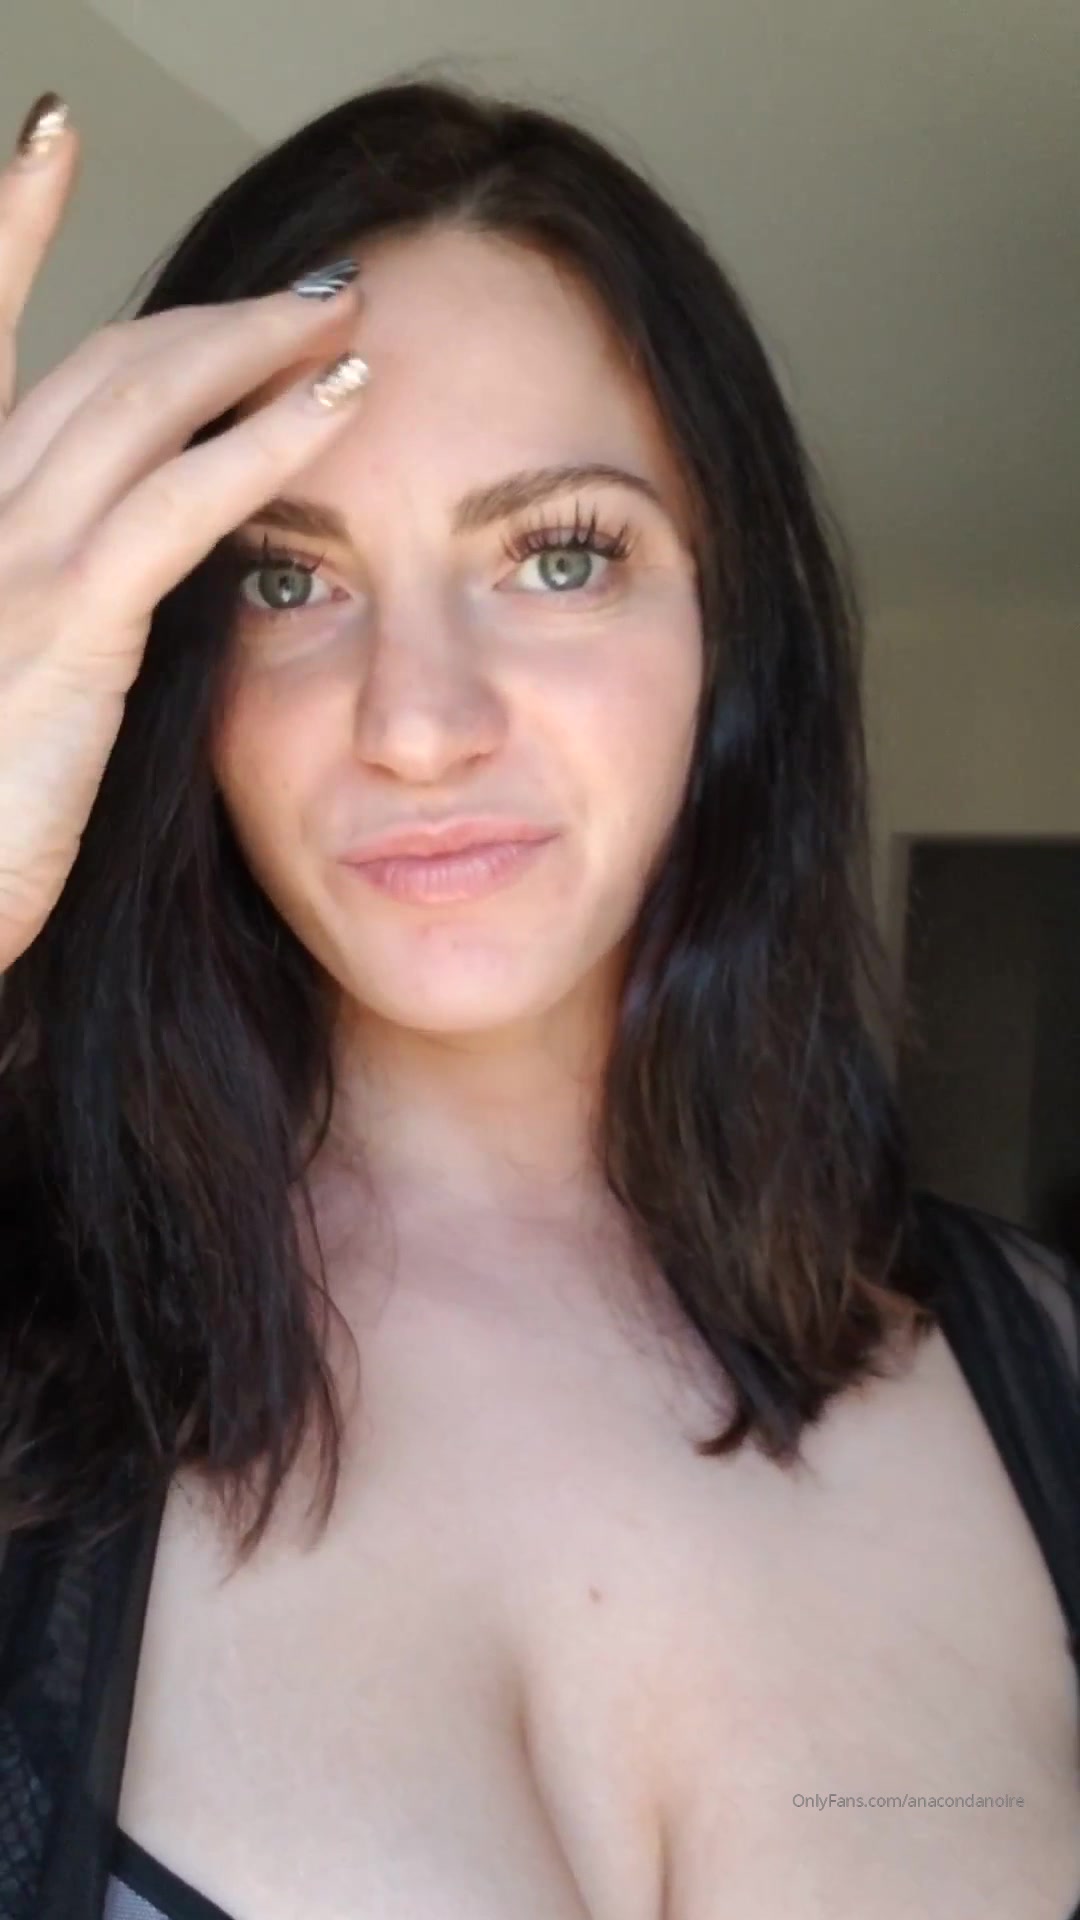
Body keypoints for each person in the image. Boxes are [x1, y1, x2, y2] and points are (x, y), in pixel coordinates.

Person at [0, 75, 1076, 1920]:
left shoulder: (1046, 1365)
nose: (420, 724)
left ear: (730, 628)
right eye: (286, 580)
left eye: (559, 556)